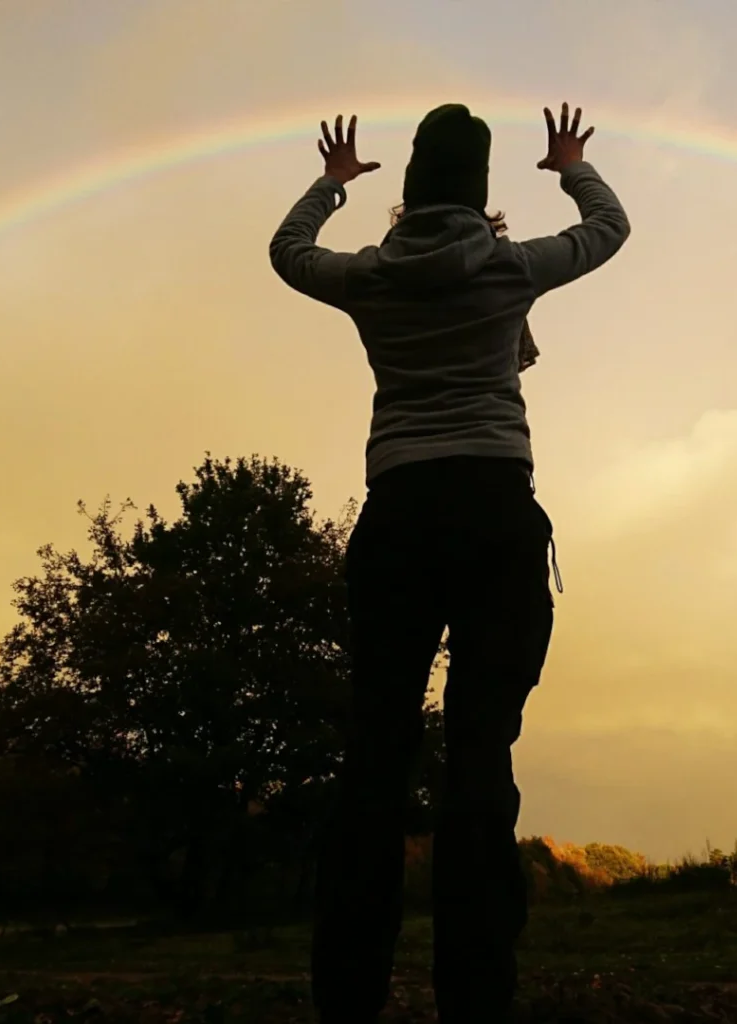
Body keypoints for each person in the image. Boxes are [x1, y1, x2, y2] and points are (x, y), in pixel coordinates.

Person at [270, 101, 630, 1024]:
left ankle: (347, 998)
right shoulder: (511, 268)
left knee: (374, 759)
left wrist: (334, 185)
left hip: (398, 517)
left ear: (413, 184)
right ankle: (476, 996)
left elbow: (287, 252)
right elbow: (608, 229)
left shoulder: (371, 278)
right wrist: (569, 167)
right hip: (495, 517)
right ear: (478, 188)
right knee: (481, 761)